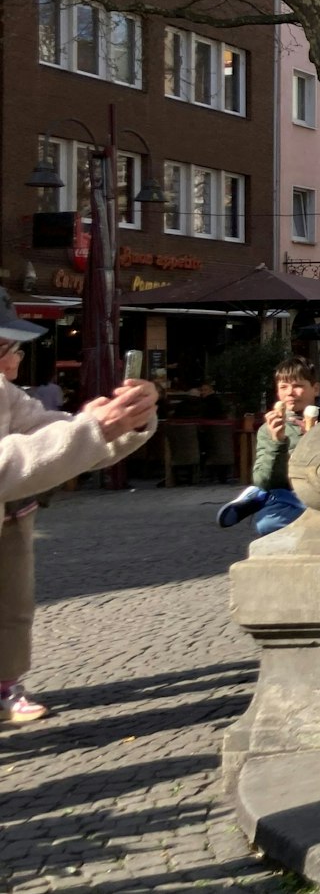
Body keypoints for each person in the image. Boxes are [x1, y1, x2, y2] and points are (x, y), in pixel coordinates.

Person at [0, 289, 160, 725]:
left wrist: (122, 420)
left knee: (12, 607)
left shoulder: (4, 392)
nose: (12, 356)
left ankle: (6, 686)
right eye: (6, 346)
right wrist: (91, 430)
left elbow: (51, 432)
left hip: (11, 517)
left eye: (11, 346)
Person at [216, 358, 320, 533]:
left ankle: (260, 497)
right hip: (293, 495)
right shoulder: (268, 429)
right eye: (283, 387)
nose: (290, 393)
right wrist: (277, 442)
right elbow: (266, 480)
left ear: (315, 388)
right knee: (268, 524)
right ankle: (262, 496)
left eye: (297, 386)